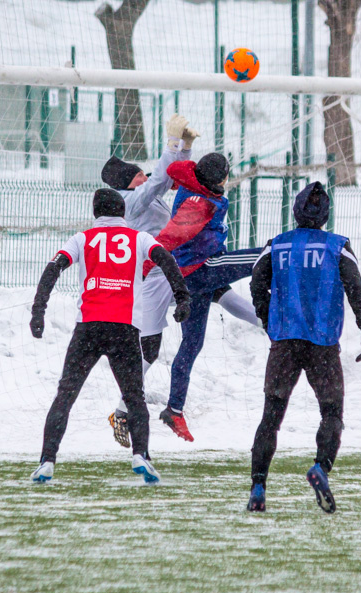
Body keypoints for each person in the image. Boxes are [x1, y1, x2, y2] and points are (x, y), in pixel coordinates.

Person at [101, 116, 260, 448]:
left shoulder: (141, 196)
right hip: (154, 277)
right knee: (150, 351)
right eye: (138, 173)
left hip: (175, 268)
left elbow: (186, 175)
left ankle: (268, 321)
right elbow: (161, 177)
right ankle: (120, 410)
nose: (144, 175)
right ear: (130, 182)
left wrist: (185, 147)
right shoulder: (134, 200)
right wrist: (174, 144)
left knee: (217, 292)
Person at [29, 189, 191, 485]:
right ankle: (141, 454)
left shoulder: (82, 238)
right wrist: (182, 297)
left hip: (88, 327)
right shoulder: (139, 238)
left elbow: (54, 268)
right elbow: (166, 260)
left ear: (95, 213)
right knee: (134, 397)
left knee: (65, 395)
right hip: (123, 328)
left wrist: (38, 310)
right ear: (123, 213)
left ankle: (47, 461)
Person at [247, 181, 361, 513]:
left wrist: (266, 318)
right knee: (331, 413)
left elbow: (256, 281)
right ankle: (320, 468)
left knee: (271, 417)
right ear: (325, 215)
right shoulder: (338, 245)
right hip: (322, 345)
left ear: (295, 210)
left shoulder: (276, 245)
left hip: (285, 342)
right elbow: (356, 289)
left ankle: (258, 487)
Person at [146, 152, 263, 442]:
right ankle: (282, 307)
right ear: (220, 178)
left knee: (192, 344)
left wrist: (182, 145)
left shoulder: (191, 177)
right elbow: (171, 236)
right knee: (267, 254)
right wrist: (147, 263)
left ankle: (174, 409)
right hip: (203, 267)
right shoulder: (200, 204)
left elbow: (177, 166)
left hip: (192, 279)